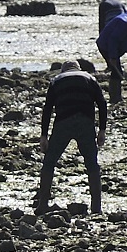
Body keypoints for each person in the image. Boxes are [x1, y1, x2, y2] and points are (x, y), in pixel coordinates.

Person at [36, 63, 108, 214]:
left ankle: (43, 204)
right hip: (85, 122)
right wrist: (102, 129)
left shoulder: (57, 80)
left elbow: (48, 108)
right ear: (78, 69)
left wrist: (44, 135)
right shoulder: (89, 79)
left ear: (63, 71)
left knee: (49, 162)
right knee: (92, 164)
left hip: (63, 122)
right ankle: (96, 207)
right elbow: (102, 103)